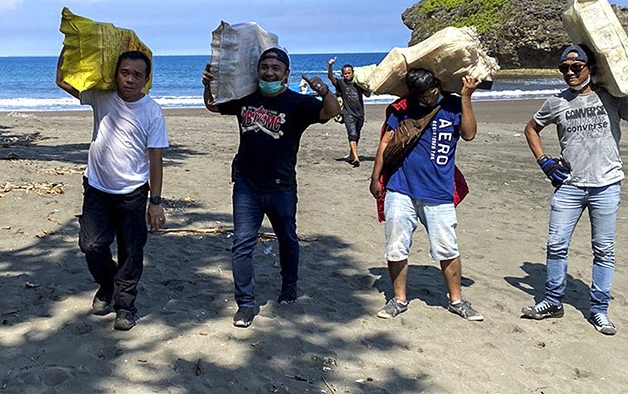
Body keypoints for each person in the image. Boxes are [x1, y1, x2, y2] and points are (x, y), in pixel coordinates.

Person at [202, 47, 341, 327]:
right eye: (265, 68)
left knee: (287, 239)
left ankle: (289, 286)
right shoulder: (245, 99)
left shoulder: (298, 104)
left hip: (282, 187)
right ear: (258, 71)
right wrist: (207, 85)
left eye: (275, 69)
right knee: (242, 244)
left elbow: (332, 112)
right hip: (246, 186)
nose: (269, 73)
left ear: (286, 74)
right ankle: (245, 303)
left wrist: (324, 91)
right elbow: (213, 105)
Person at [56, 50, 168, 331]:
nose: (129, 79)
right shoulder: (101, 97)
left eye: (136, 75)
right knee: (91, 245)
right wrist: (70, 44)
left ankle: (125, 306)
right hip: (96, 187)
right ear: (116, 73)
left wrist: (155, 202)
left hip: (133, 192)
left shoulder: (152, 111)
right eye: (125, 72)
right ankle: (107, 284)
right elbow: (62, 81)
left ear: (145, 79)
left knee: (131, 251)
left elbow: (155, 158)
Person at [521, 44, 627, 335]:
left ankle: (599, 310)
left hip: (605, 185)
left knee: (603, 250)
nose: (569, 72)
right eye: (564, 68)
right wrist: (544, 162)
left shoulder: (612, 98)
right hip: (569, 185)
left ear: (590, 68)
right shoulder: (556, 102)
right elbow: (531, 128)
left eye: (576, 67)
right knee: (556, 244)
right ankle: (553, 301)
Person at [369, 68, 484, 321]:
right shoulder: (402, 108)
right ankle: (398, 299)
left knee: (447, 247)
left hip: (439, 191)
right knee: (396, 246)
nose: (429, 98)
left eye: (432, 92)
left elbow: (469, 134)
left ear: (438, 85)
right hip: (401, 188)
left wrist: (466, 97)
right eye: (423, 95)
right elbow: (386, 143)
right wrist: (375, 177)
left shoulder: (454, 105)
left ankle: (456, 300)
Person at [327, 58, 371, 167]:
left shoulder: (358, 83)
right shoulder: (341, 83)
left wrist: (368, 87)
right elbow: (330, 77)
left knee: (357, 135)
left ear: (352, 73)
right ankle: (356, 158)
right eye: (345, 73)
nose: (347, 75)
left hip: (360, 113)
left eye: (348, 73)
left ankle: (352, 154)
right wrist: (330, 66)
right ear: (342, 74)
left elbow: (368, 94)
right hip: (348, 113)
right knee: (352, 134)